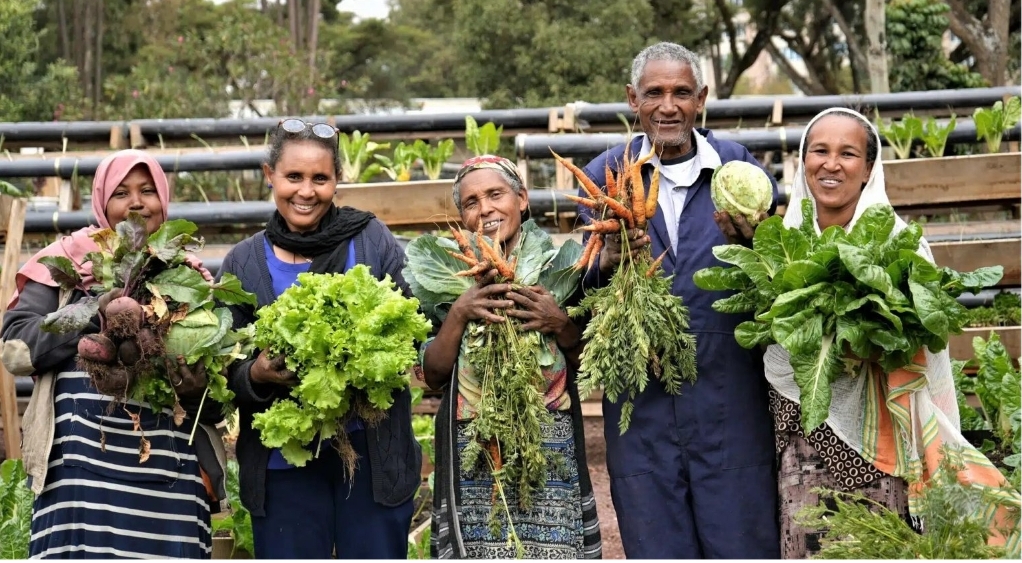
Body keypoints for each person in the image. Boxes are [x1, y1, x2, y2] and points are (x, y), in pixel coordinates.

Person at [767, 107, 1013, 557]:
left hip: (884, 435)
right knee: (806, 542)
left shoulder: (900, 241)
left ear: (867, 170)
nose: (831, 163)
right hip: (803, 434)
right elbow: (776, 346)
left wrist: (871, 339)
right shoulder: (783, 241)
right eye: (819, 151)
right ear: (803, 161)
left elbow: (924, 337)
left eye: (848, 153)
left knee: (880, 544)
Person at [576, 42, 781, 558]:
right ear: (632, 99)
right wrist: (605, 261)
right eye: (655, 93)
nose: (668, 106)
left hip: (730, 403)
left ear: (702, 99)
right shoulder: (606, 174)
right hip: (641, 409)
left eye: (681, 93)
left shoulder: (739, 170)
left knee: (743, 544)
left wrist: (756, 246)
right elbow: (580, 294)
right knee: (656, 545)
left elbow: (781, 276)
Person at [1, 149, 225, 559]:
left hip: (168, 480)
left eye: (147, 191)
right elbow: (15, 348)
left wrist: (198, 389)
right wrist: (94, 317)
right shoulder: (66, 260)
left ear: (164, 199)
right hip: (79, 478)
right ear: (102, 201)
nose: (136, 203)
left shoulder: (189, 277)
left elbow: (216, 387)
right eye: (121, 192)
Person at [217, 119, 421, 559]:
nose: (305, 191)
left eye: (320, 179)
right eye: (293, 177)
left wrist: (365, 360)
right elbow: (220, 367)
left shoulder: (370, 239)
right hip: (282, 464)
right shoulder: (242, 262)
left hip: (371, 457)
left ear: (337, 182)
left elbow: (411, 321)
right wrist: (256, 372)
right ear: (269, 174)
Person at [420, 155, 602, 559]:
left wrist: (560, 322)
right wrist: (460, 312)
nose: (484, 209)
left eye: (495, 194)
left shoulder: (564, 267)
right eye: (471, 202)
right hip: (476, 440)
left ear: (521, 199)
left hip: (548, 437)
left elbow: (589, 365)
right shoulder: (448, 276)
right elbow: (432, 375)